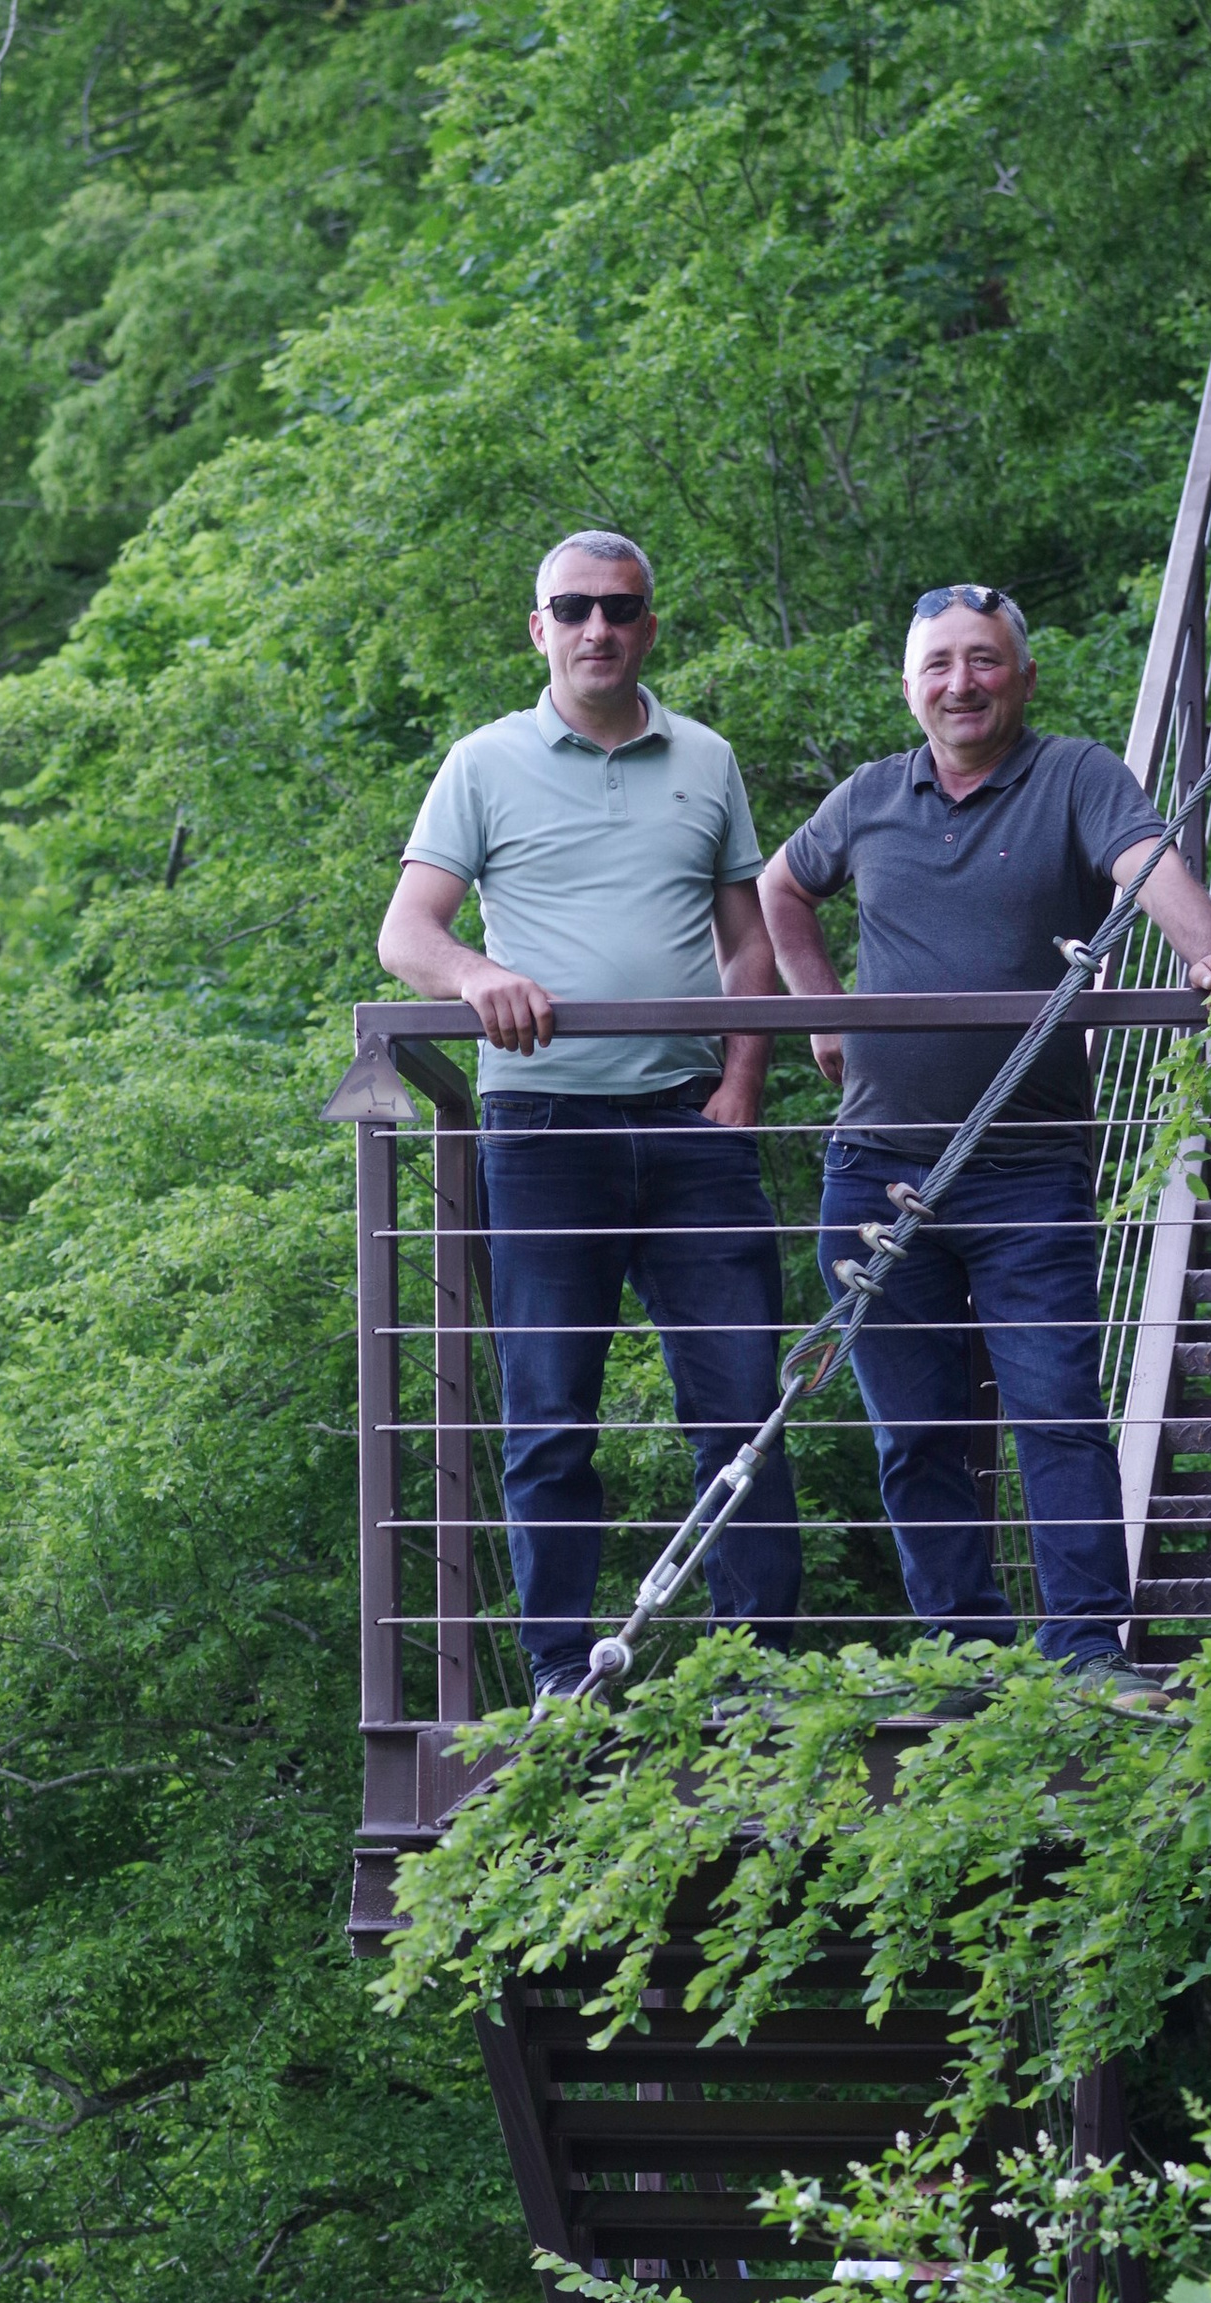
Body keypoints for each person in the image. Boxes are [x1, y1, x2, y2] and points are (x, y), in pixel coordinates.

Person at [762, 585, 1211, 1699]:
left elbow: (1141, 863)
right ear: (908, 687)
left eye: (983, 661)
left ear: (1021, 678)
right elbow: (779, 888)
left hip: (1026, 1166)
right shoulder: (867, 797)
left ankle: (1087, 1653)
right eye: (937, 664)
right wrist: (821, 1012)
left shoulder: (1075, 773)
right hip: (873, 1168)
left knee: (1055, 1412)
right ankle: (965, 1664)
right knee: (916, 1434)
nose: (960, 683)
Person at [377, 529, 802, 1702]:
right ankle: (564, 1673)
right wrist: (473, 979)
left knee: (739, 1408)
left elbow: (747, 940)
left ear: (649, 625)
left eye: (618, 609)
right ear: (538, 629)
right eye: (572, 610)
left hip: (689, 1128)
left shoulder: (706, 758)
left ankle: (760, 1674)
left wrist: (741, 1087)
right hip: (541, 1132)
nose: (596, 629)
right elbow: (405, 934)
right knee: (551, 1415)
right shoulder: (482, 762)